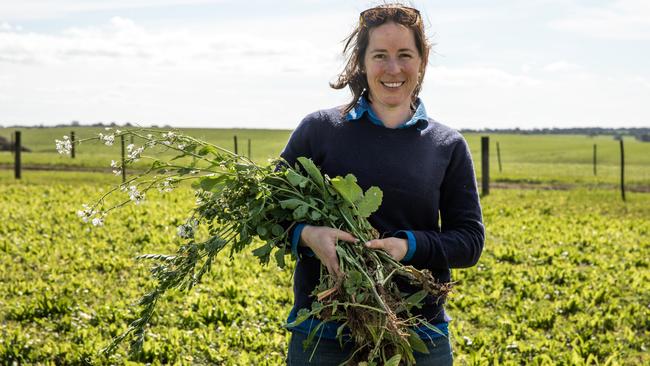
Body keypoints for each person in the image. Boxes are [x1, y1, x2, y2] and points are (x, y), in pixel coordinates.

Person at [280, 3, 484, 365]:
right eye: (380, 55)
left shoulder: (447, 145)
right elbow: (269, 208)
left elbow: (469, 241)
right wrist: (308, 235)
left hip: (419, 334)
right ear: (361, 61)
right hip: (324, 331)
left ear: (422, 60)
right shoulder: (319, 131)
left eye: (405, 54)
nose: (393, 68)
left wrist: (409, 246)